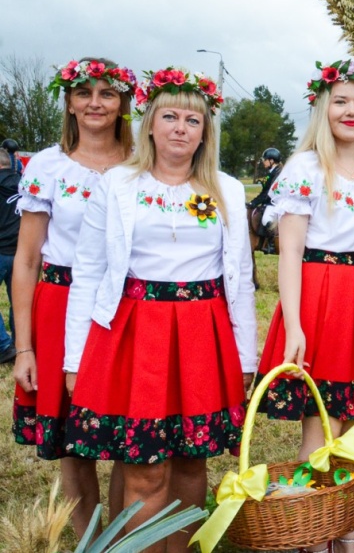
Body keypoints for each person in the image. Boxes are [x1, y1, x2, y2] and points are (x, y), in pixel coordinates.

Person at [63, 66, 255, 553]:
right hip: (136, 333)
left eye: (192, 120)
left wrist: (245, 357)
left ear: (205, 132)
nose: (180, 129)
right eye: (169, 117)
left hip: (201, 333)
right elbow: (88, 271)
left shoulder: (227, 190)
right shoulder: (117, 185)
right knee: (145, 468)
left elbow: (241, 281)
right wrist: (74, 359)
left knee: (191, 462)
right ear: (149, 123)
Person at [255, 58, 354, 553]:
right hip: (319, 297)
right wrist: (294, 324)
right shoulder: (305, 168)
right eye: (341, 101)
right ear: (324, 108)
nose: (351, 111)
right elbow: (290, 253)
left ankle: (349, 535)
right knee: (321, 427)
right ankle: (315, 537)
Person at [10, 58, 136, 534]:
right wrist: (25, 347)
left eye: (107, 93)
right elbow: (27, 260)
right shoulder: (49, 166)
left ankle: (124, 537)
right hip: (61, 303)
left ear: (123, 103)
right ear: (69, 103)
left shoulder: (141, 163)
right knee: (72, 439)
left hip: (125, 304)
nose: (95, 103)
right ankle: (89, 540)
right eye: (84, 93)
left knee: (128, 432)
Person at [0, 152, 18, 364]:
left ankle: (4, 346)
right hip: (20, 253)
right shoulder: (25, 184)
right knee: (19, 301)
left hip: (2, 249)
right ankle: (18, 343)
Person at [246, 147, 282, 254]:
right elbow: (264, 192)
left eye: (265, 160)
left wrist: (255, 202)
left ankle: (271, 244)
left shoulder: (278, 173)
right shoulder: (272, 172)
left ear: (271, 160)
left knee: (266, 219)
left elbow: (268, 193)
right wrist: (253, 202)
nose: (263, 162)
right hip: (270, 201)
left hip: (275, 202)